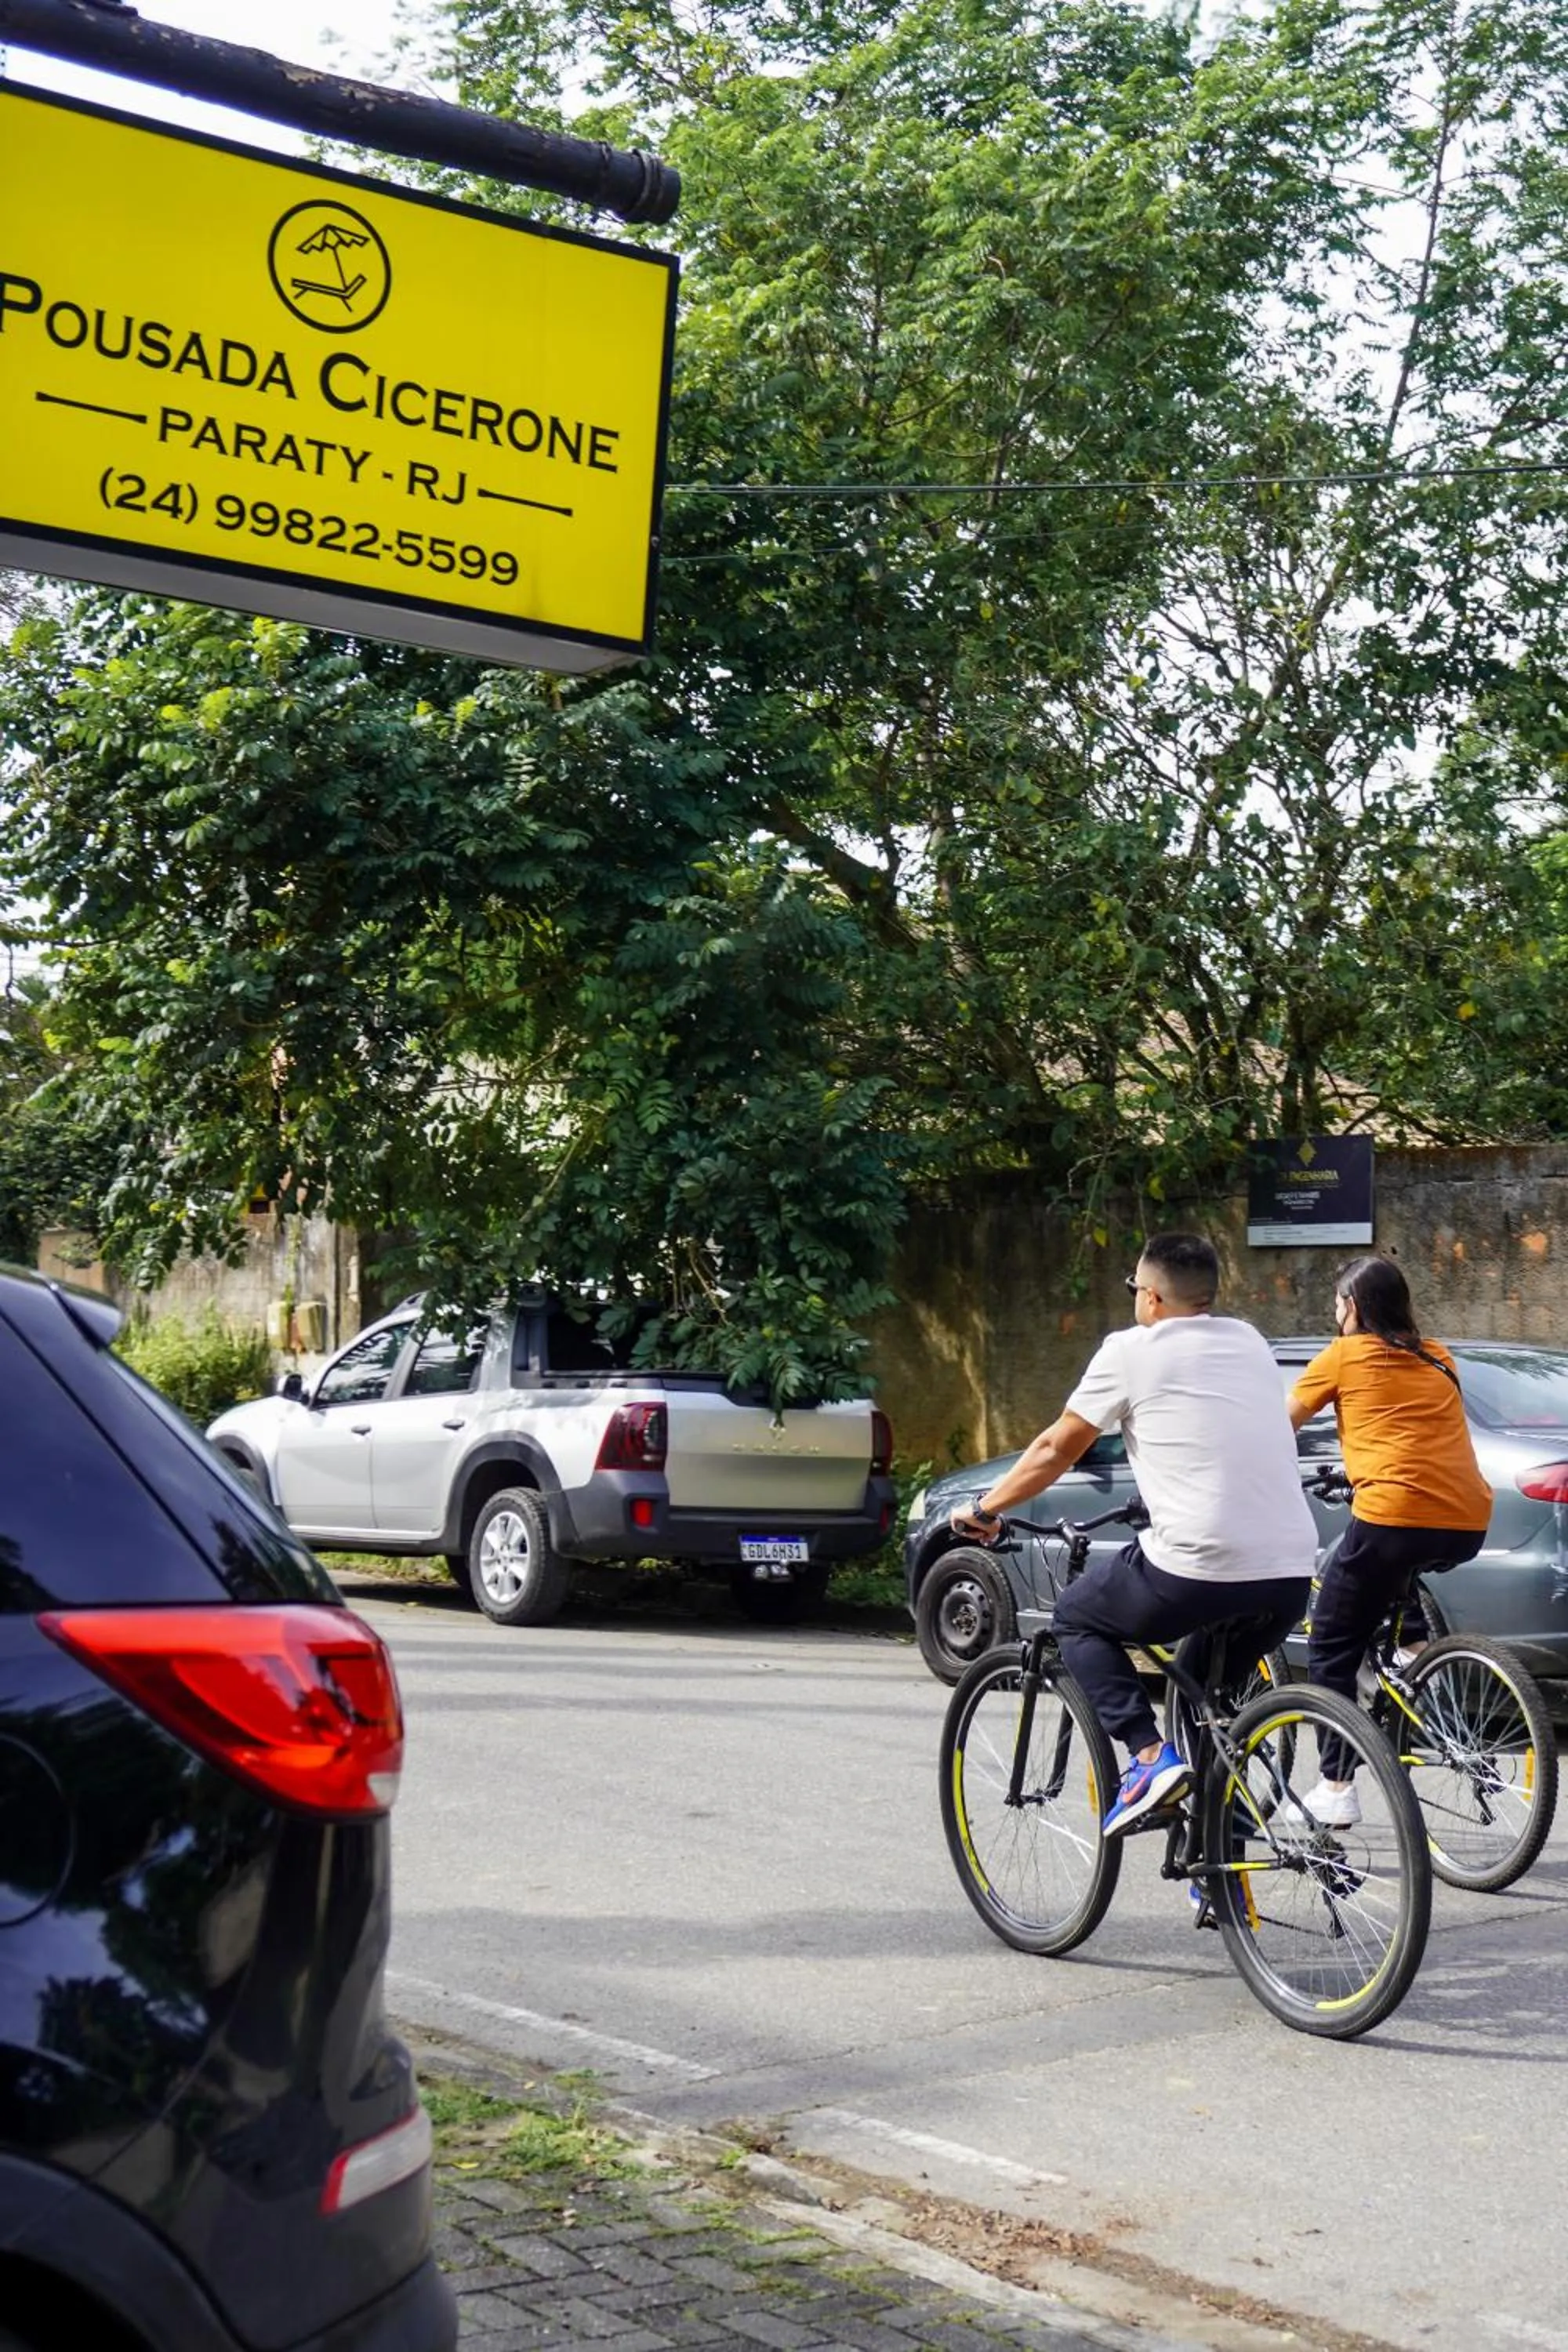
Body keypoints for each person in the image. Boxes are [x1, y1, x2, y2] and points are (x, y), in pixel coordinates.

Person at [952, 1232, 1316, 1835]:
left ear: (1149, 1296)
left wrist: (986, 1507)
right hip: (1287, 1573)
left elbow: (1055, 1449)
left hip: (1196, 1566)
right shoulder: (1250, 1342)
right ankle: (1217, 1843)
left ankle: (1148, 1760)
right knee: (1201, 1690)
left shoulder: (1131, 1350)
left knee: (1075, 1618)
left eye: (1133, 1290)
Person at [1286, 1254, 1491, 1827]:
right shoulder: (1438, 1354)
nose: (1334, 1314)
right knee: (1388, 1563)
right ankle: (1415, 1652)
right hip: (1468, 1517)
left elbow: (1282, 1424)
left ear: (1352, 1307)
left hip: (1394, 1513)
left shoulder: (1343, 1356)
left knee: (1330, 1635)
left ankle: (1334, 1785)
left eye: (1336, 1304)